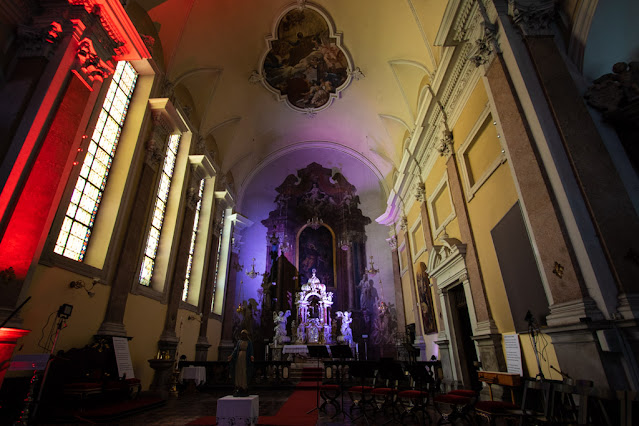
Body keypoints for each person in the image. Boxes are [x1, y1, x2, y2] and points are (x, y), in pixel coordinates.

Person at [227, 329, 254, 397]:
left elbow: (251, 350)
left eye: (244, 334)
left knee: (244, 371)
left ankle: (244, 386)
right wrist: (231, 355)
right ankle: (238, 386)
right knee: (238, 371)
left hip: (245, 358)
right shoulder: (239, 342)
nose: (243, 335)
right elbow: (236, 349)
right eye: (242, 334)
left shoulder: (249, 342)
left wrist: (251, 356)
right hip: (239, 358)